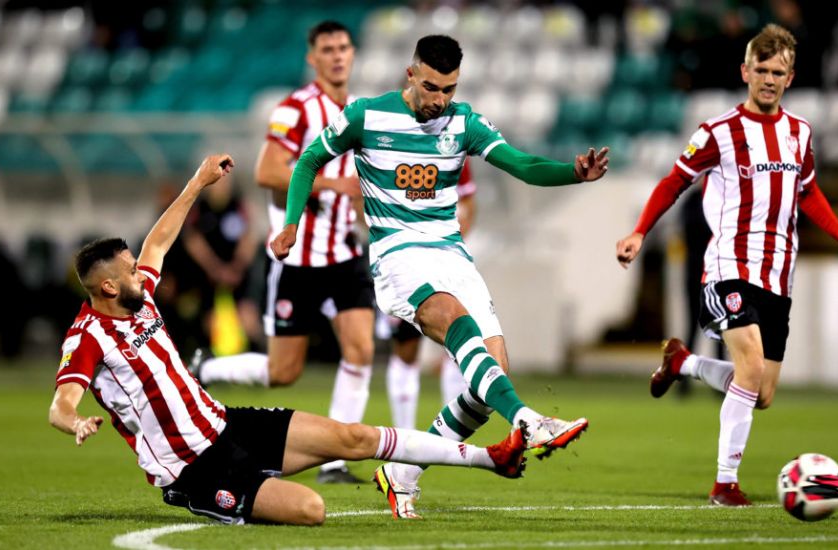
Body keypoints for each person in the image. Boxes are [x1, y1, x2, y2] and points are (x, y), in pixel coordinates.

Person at [47, 155, 527, 526]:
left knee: (352, 435)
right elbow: (61, 403)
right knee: (310, 510)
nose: (141, 270)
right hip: (194, 469)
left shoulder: (141, 294)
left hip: (226, 424)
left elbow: (157, 243)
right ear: (108, 287)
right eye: (130, 269)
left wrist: (197, 182)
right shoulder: (87, 337)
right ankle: (237, 494)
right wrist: (75, 424)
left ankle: (492, 459)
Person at [271, 34, 607, 519]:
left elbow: (521, 164)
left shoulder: (464, 121)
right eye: (432, 88)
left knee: (490, 378)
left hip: (450, 253)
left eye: (449, 89)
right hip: (397, 255)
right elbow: (308, 161)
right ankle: (529, 421)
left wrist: (572, 173)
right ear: (411, 75)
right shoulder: (367, 115)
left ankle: (403, 473)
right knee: (451, 318)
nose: (440, 100)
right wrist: (290, 225)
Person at [614, 24, 838, 506]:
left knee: (762, 392)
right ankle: (724, 484)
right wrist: (639, 232)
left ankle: (684, 362)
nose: (769, 80)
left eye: (778, 72)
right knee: (749, 368)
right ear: (745, 72)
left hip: (778, 276)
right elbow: (674, 181)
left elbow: (808, 191)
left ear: (790, 77)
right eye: (761, 70)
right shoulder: (718, 132)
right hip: (729, 267)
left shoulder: (800, 133)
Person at [188, 21, 374, 484]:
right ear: (312, 58)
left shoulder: (358, 110)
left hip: (344, 254)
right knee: (284, 371)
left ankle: (334, 459)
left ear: (353, 55)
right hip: (298, 260)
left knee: (361, 349)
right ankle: (208, 367)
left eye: (343, 48)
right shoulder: (295, 109)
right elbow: (268, 171)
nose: (336, 56)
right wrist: (332, 182)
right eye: (327, 49)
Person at [386, 159, 476, 429]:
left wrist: (454, 240)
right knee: (406, 347)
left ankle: (450, 435)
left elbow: (469, 202)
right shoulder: (390, 142)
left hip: (446, 262)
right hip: (403, 262)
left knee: (456, 341)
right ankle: (405, 434)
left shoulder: (454, 145)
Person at [181, 173, 263, 351]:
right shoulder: (199, 208)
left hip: (238, 273)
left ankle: (258, 356)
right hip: (208, 273)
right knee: (209, 317)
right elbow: (193, 241)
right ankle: (208, 358)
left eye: (225, 182)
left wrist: (237, 266)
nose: (222, 186)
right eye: (217, 182)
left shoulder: (239, 206)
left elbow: (249, 237)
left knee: (247, 313)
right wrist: (214, 268)